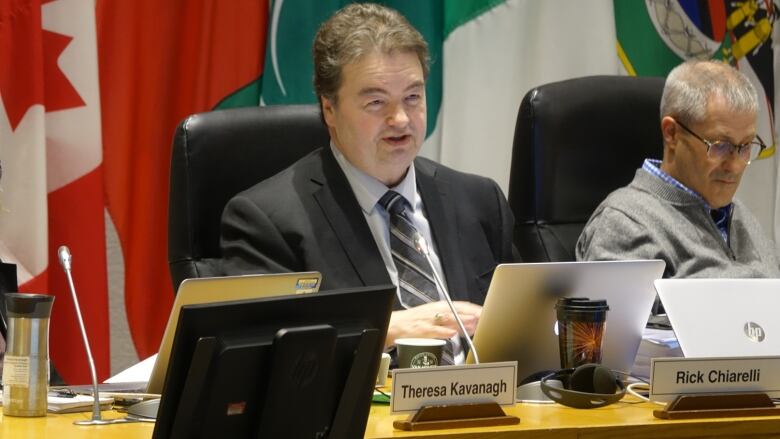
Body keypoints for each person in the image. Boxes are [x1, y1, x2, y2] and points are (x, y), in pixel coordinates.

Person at [220, 4, 516, 363]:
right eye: (377, 102)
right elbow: (262, 346)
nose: (401, 119)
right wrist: (387, 329)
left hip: (490, 409)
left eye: (413, 97)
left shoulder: (479, 200)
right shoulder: (269, 220)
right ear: (329, 109)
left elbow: (528, 323)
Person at [576, 60, 780, 279]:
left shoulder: (740, 216)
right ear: (672, 133)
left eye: (746, 146)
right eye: (721, 146)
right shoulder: (625, 224)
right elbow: (620, 313)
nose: (735, 166)